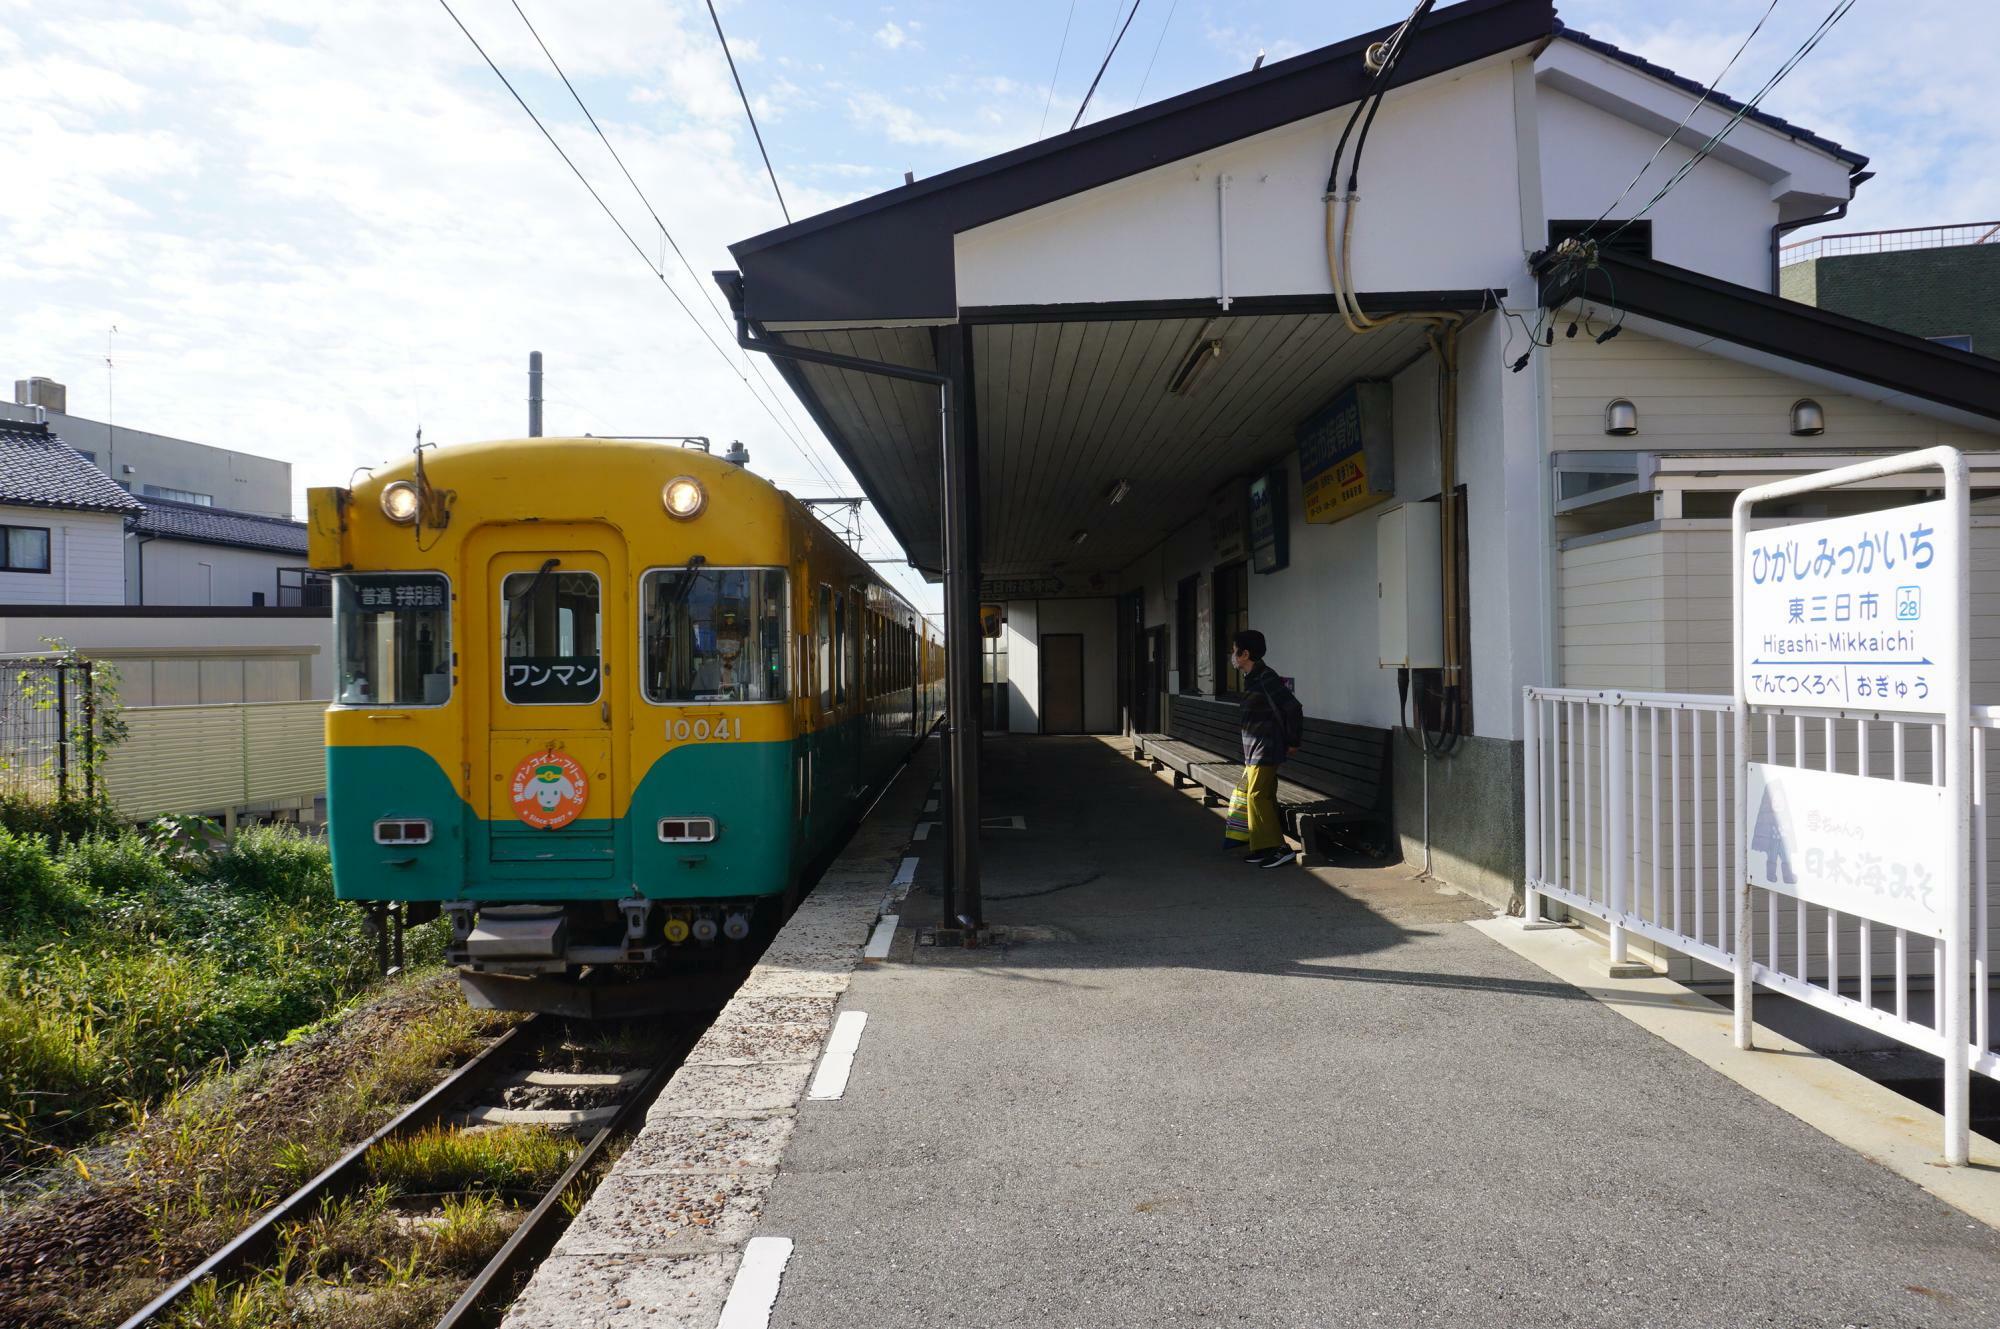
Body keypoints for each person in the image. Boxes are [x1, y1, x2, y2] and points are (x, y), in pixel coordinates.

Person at [1233, 630, 1304, 868]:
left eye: (1235, 650)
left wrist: (1293, 741)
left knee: (1256, 796)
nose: (1232, 655)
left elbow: (1292, 707)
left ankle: (1280, 848)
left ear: (1245, 653)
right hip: (1254, 749)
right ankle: (1264, 847)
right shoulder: (1252, 677)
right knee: (1263, 796)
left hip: (1266, 748)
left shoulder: (1265, 677)